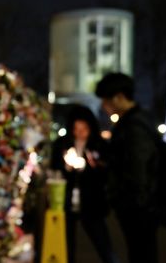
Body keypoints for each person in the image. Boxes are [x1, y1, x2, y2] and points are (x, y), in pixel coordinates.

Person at [95, 73, 160, 263]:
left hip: (139, 208)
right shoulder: (135, 121)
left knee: (142, 253)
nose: (103, 106)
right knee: (140, 252)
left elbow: (138, 170)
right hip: (139, 206)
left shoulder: (134, 126)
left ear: (119, 97)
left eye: (106, 101)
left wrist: (128, 202)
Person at [51, 104, 118, 263]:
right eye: (76, 128)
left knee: (103, 243)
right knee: (66, 244)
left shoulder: (99, 145)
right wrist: (66, 167)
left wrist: (95, 166)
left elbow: (108, 172)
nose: (80, 133)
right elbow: (54, 167)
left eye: (84, 128)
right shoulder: (63, 144)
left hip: (91, 201)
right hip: (67, 201)